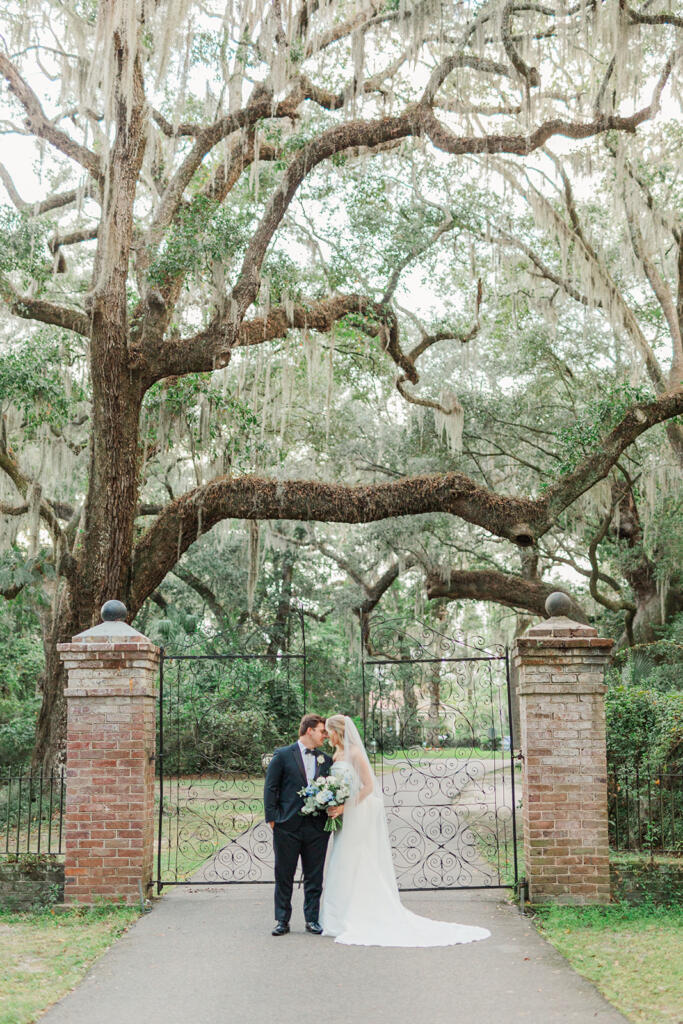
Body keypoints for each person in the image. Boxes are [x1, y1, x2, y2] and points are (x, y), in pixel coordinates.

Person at [320, 714, 491, 947]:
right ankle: (339, 914)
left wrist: (345, 807)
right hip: (342, 815)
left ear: (336, 731)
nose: (325, 735)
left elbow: (368, 787)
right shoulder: (336, 754)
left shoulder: (356, 754)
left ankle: (361, 912)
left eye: (327, 731)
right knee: (342, 859)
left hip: (355, 814)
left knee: (354, 858)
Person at [264, 713, 333, 936]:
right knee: (284, 874)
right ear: (309, 730)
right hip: (287, 825)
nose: (325, 735)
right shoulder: (283, 755)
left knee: (315, 875)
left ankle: (312, 919)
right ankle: (282, 920)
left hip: (316, 827)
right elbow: (271, 788)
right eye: (322, 731)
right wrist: (273, 819)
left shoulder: (326, 759)